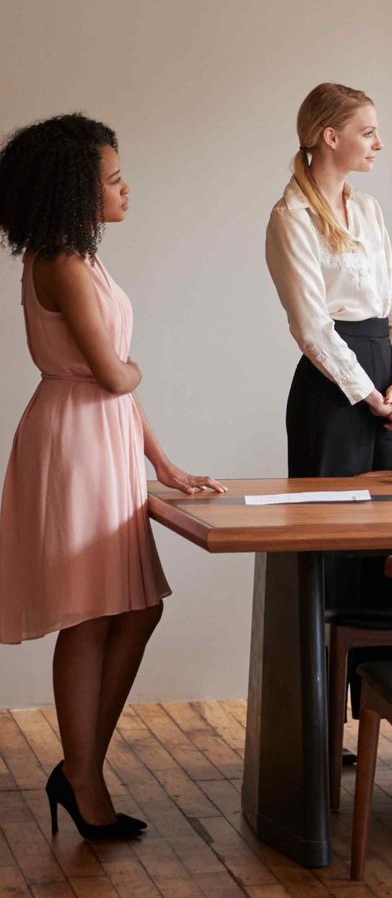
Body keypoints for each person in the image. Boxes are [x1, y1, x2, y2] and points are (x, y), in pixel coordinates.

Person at [0, 114, 225, 839]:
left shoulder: (81, 258)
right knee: (94, 612)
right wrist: (134, 372)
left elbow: (117, 383)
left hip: (103, 438)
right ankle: (83, 776)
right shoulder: (60, 263)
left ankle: (79, 768)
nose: (126, 188)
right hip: (76, 445)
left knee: (135, 607)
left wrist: (162, 462)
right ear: (74, 189)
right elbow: (110, 372)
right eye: (113, 178)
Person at [264, 83, 392, 692]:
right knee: (334, 551)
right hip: (331, 392)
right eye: (368, 131)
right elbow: (311, 326)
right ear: (331, 136)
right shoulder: (291, 217)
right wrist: (368, 392)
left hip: (381, 376)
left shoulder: (369, 210)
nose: (379, 142)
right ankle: (326, 719)